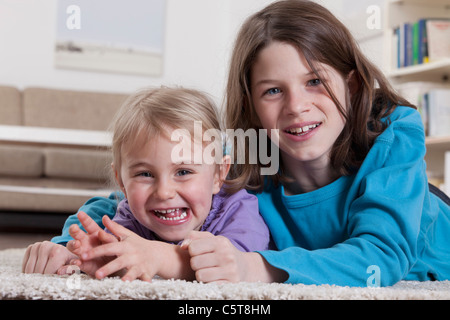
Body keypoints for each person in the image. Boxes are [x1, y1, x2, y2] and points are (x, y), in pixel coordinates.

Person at [26, 0, 450, 287]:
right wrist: (69, 244)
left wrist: (252, 266)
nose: (297, 107)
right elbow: (130, 197)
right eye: (273, 91)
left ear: (353, 85)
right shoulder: (248, 152)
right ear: (250, 103)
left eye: (316, 82)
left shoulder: (392, 130)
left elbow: (381, 258)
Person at [22, 87, 271, 282]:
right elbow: (114, 256)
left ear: (218, 175)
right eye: (145, 174)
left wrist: (162, 259)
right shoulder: (128, 216)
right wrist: (85, 255)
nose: (164, 192)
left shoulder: (239, 210)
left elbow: (234, 266)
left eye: (183, 171)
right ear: (121, 181)